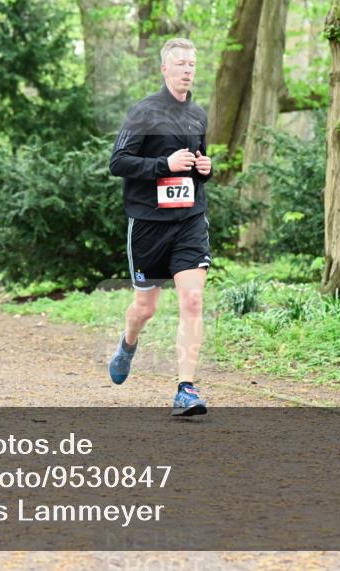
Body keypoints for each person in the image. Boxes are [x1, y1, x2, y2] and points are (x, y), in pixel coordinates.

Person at [107, 38, 213, 416]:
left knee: (192, 299)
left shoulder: (198, 115)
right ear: (165, 69)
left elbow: (198, 164)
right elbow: (118, 162)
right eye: (180, 63)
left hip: (189, 219)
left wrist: (206, 169)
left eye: (192, 64)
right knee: (145, 307)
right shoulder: (144, 113)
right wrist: (163, 165)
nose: (187, 70)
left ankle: (186, 389)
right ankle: (128, 341)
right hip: (149, 224)